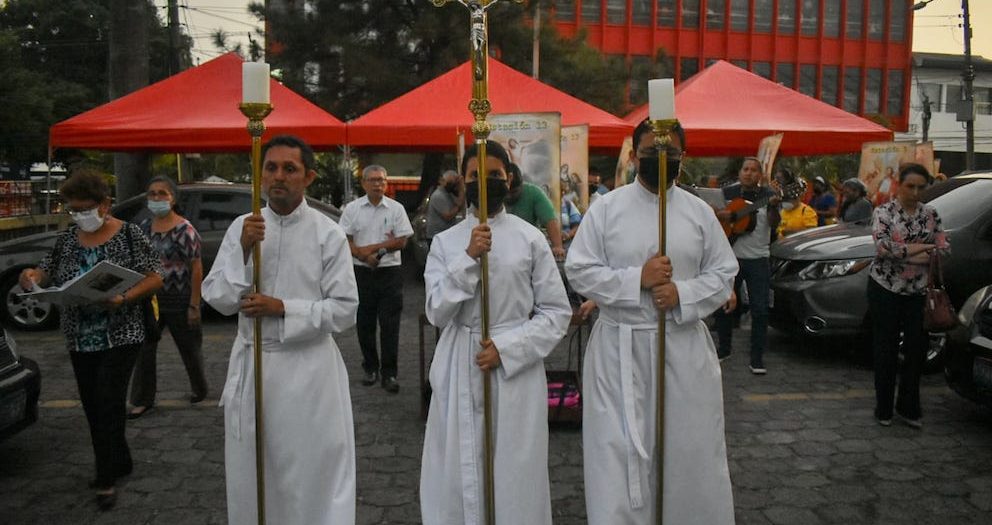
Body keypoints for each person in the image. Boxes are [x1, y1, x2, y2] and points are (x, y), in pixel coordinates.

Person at [565, 122, 737, 524]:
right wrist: (635, 280)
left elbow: (723, 273)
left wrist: (683, 294)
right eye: (651, 151)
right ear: (633, 155)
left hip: (682, 348)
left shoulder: (698, 213)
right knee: (617, 455)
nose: (661, 160)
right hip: (619, 350)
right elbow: (579, 269)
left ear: (683, 158)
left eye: (670, 153)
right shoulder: (606, 209)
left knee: (688, 453)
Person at [201, 135, 359, 523]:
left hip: (309, 373)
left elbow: (344, 310)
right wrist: (242, 248)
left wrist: (284, 308)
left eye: (290, 169)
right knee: (253, 472)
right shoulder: (242, 227)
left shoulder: (328, 234)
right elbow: (218, 298)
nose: (278, 176)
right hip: (254, 365)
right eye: (270, 167)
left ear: (309, 177)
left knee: (308, 473)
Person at [420, 140, 571, 525]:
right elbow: (436, 311)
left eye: (495, 175)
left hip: (513, 367)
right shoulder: (446, 243)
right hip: (460, 360)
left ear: (510, 179)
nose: (485, 183)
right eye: (475, 175)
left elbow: (556, 312)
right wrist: (468, 258)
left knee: (514, 469)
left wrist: (508, 347)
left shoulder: (530, 238)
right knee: (459, 468)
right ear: (462, 181)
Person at [19, 170, 163, 510]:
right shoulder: (68, 238)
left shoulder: (129, 234)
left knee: (108, 401)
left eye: (86, 208)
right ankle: (120, 459)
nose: (81, 215)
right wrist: (32, 276)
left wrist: (124, 298)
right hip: (79, 337)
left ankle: (105, 477)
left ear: (105, 204)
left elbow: (155, 277)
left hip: (121, 333)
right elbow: (45, 269)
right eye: (74, 209)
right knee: (92, 404)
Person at [867, 163, 949, 429]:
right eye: (909, 186)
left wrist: (909, 251)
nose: (915, 192)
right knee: (886, 349)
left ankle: (909, 406)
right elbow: (883, 247)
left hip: (918, 291)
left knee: (916, 350)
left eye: (920, 187)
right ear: (899, 185)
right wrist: (923, 249)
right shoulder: (884, 212)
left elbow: (942, 248)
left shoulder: (931, 214)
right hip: (885, 287)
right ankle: (883, 407)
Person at [128, 176, 208, 419]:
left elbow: (196, 267)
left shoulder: (184, 230)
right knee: (144, 350)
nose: (156, 198)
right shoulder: (143, 228)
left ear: (173, 199)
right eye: (152, 194)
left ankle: (199, 388)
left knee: (189, 348)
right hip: (149, 299)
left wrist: (194, 304)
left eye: (162, 193)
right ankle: (142, 399)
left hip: (180, 298)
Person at [339, 165, 414, 393]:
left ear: (386, 183)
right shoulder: (352, 209)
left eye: (381, 180)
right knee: (365, 323)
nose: (377, 184)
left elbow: (401, 241)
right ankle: (370, 368)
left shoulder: (396, 209)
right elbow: (344, 239)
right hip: (362, 272)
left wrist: (372, 250)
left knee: (390, 325)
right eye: (372, 180)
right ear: (363, 183)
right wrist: (362, 255)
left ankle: (390, 373)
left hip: (389, 272)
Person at [714, 156, 781, 373]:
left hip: (759, 259)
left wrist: (773, 207)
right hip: (730, 257)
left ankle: (757, 357)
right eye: (746, 169)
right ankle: (724, 349)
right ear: (740, 172)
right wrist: (722, 215)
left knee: (760, 310)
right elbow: (714, 216)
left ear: (760, 175)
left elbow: (774, 223)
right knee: (725, 306)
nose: (749, 173)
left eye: (754, 170)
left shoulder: (768, 195)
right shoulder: (727, 193)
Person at [504, 162, 566, 259]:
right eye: (506, 192)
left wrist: (557, 246)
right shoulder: (493, 195)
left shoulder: (534, 193)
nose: (509, 196)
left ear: (522, 185)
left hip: (527, 247)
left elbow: (550, 220)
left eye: (514, 192)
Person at [776, 170, 818, 237]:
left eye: (789, 199)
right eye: (784, 199)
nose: (786, 201)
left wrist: (791, 233)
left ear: (798, 197)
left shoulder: (806, 211)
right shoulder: (783, 212)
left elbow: (812, 233)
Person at [426, 169, 464, 241]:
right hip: (436, 235)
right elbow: (448, 216)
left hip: (446, 234)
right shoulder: (438, 195)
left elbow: (461, 205)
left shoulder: (449, 193)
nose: (452, 185)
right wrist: (458, 206)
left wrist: (461, 188)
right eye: (450, 182)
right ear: (443, 181)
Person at [560, 184, 582, 250]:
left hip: (567, 246)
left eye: (563, 190)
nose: (562, 193)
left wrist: (568, 235)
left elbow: (577, 225)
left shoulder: (568, 204)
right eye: (560, 190)